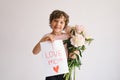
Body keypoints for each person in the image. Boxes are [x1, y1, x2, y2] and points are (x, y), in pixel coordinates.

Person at [32, 10, 70, 80]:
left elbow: (73, 49)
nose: (58, 24)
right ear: (50, 22)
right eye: (55, 21)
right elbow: (34, 52)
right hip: (51, 71)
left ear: (65, 25)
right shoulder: (47, 36)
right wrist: (43, 40)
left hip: (65, 70)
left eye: (61, 22)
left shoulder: (67, 36)